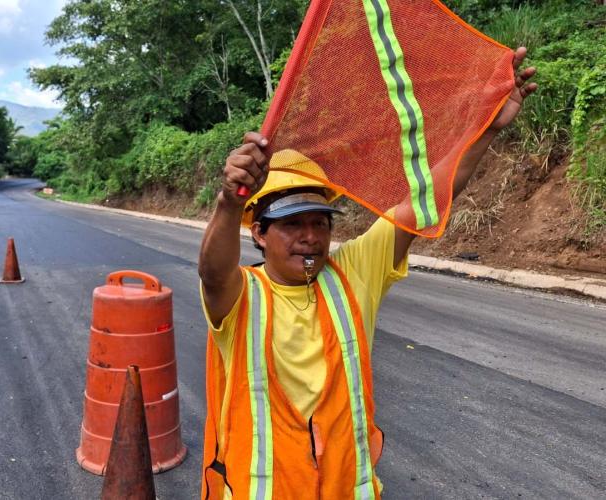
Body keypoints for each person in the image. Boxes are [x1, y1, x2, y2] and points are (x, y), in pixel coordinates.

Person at [197, 47, 537, 499]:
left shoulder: (352, 272)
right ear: (258, 234)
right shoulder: (242, 295)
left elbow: (422, 203)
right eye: (293, 224)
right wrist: (230, 200)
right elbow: (213, 273)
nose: (310, 237)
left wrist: (486, 128)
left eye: (320, 222)